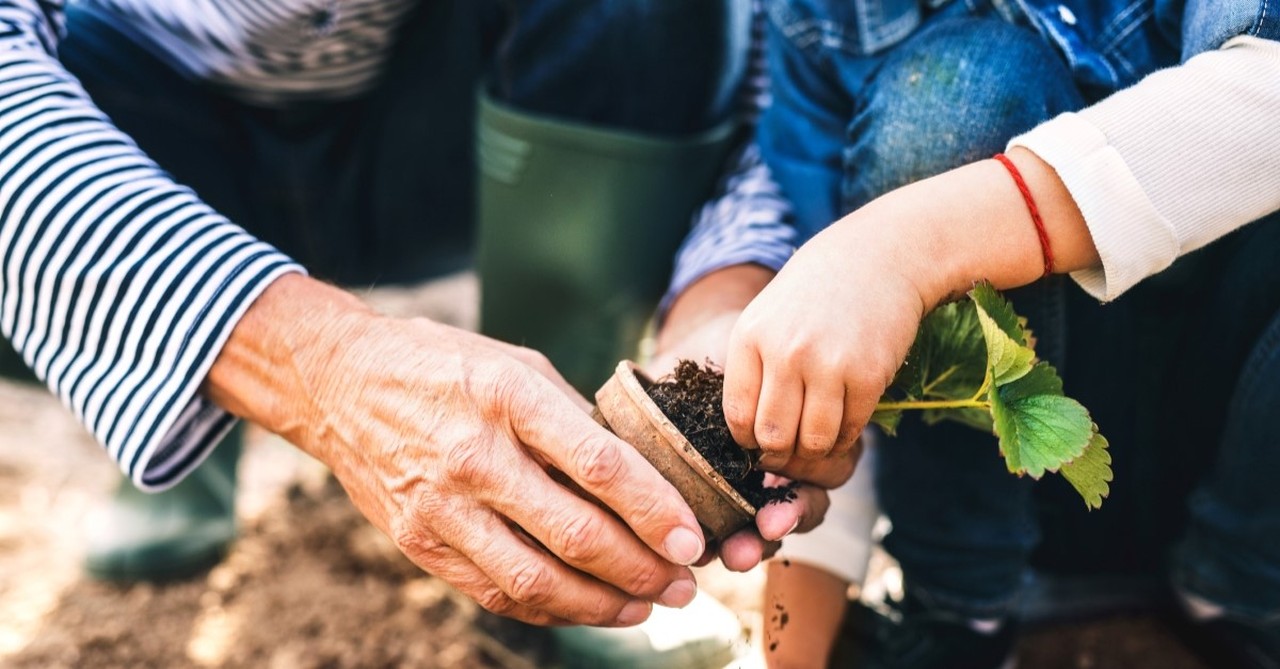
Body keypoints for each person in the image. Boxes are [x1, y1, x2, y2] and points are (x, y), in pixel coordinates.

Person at [0, 0, 848, 627]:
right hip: (129, 115)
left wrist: (723, 299)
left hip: (443, 121)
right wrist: (315, 366)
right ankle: (186, 417)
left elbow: (781, 61)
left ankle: (564, 495)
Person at [656, 0, 1280, 665]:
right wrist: (793, 649)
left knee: (955, 87)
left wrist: (907, 247)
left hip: (1239, 429)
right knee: (953, 92)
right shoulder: (818, 17)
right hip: (1001, 498)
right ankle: (959, 608)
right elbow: (833, 331)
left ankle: (1241, 591)